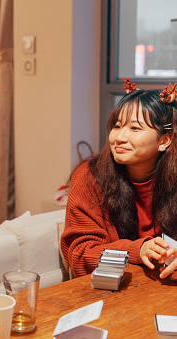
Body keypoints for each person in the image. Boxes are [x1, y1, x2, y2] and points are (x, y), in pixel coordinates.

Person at [61, 80, 177, 279]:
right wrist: (138, 250)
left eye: (135, 129)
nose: (120, 137)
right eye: (117, 126)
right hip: (112, 290)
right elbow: (80, 254)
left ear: (164, 140)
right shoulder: (90, 178)